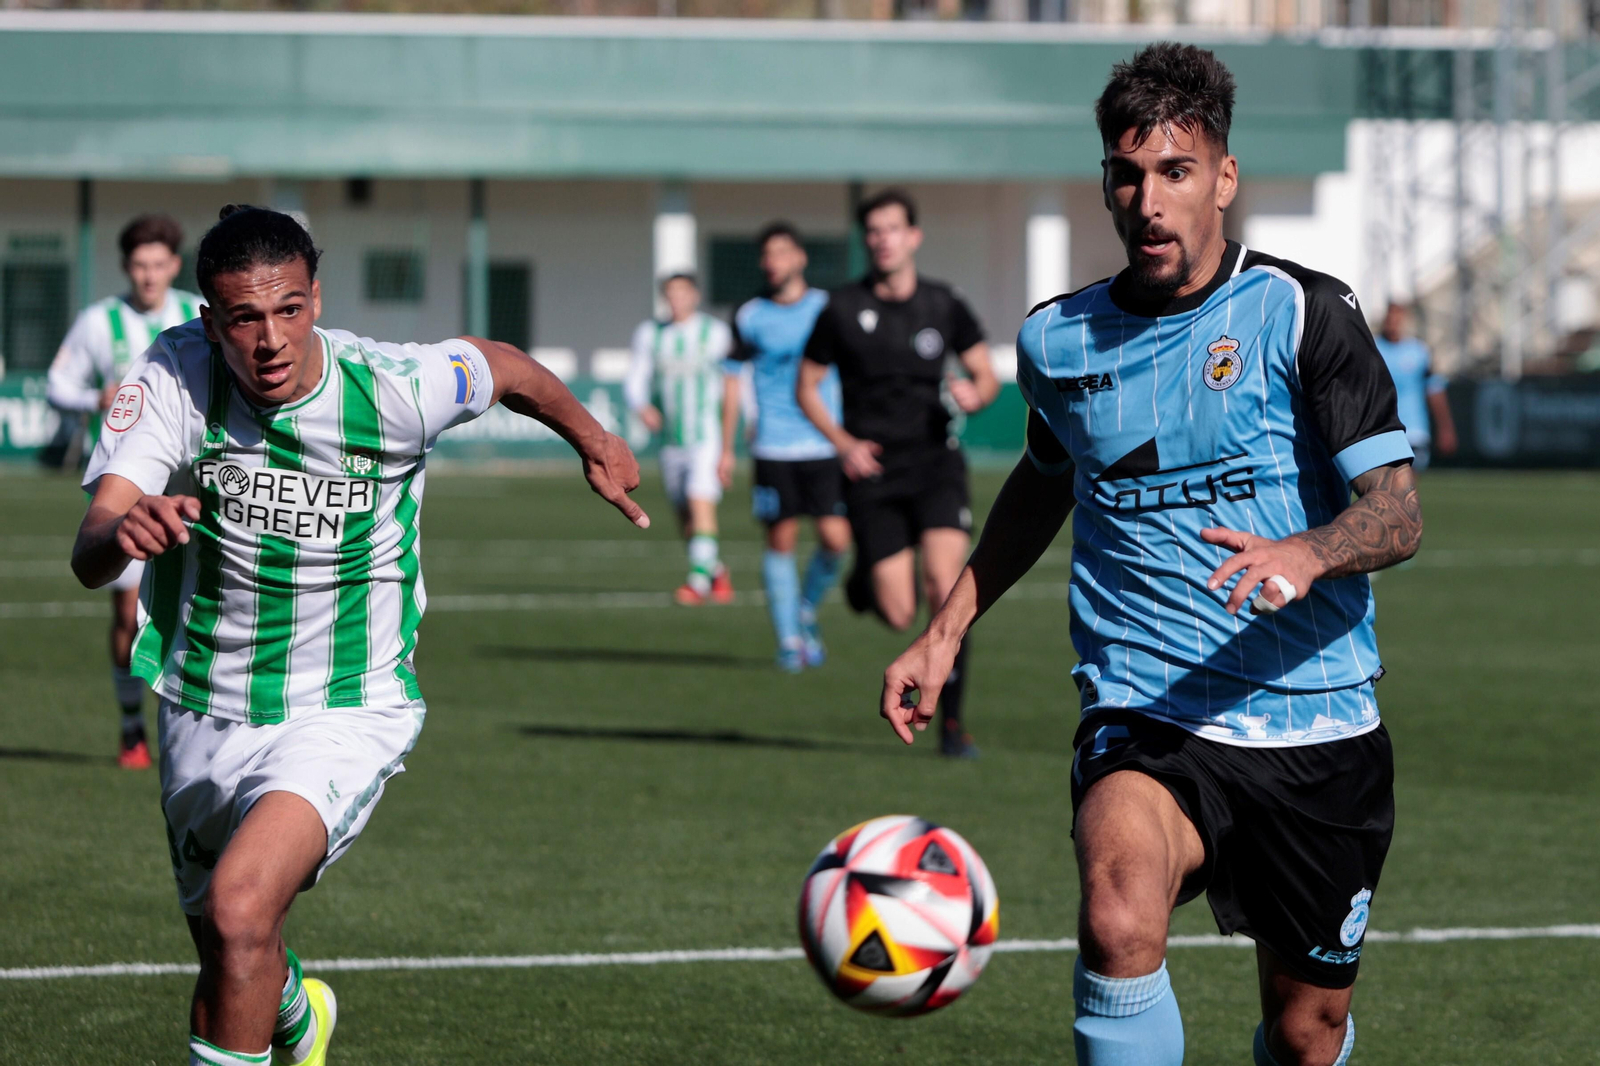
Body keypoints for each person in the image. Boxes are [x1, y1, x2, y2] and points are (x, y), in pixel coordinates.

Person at [879, 44, 1422, 1066]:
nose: (1149, 200)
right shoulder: (1059, 341)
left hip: (1317, 722)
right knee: (1117, 915)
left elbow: (1397, 511)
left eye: (1176, 170)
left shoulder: (1302, 311)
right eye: (1126, 175)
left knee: (1306, 1035)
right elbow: (1046, 477)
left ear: (1223, 178)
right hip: (1146, 707)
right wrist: (944, 631)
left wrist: (1308, 552)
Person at [69, 205, 647, 1066]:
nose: (271, 339)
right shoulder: (174, 375)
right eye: (245, 319)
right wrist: (122, 529)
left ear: (317, 298)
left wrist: (593, 440)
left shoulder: (395, 387)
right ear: (210, 322)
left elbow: (506, 368)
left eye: (290, 309)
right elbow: (90, 549)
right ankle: (298, 1016)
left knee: (238, 910)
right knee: (230, 947)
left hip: (344, 703)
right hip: (200, 701)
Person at [797, 188, 998, 758]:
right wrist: (843, 444)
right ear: (867, 241)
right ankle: (863, 581)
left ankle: (952, 724)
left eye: (893, 229)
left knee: (945, 587)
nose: (883, 239)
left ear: (913, 237)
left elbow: (984, 376)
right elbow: (806, 386)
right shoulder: (839, 309)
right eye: (874, 231)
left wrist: (976, 394)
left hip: (936, 464)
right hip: (875, 472)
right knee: (898, 612)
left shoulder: (943, 303)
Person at [47, 213, 205, 770]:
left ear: (174, 265)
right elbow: (57, 384)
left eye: (158, 264)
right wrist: (95, 399)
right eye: (140, 265)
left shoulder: (197, 312)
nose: (149, 275)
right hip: (127, 489)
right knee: (128, 612)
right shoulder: (99, 322)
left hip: (194, 490)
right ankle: (132, 724)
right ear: (126, 267)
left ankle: (189, 728)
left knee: (196, 608)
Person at [726, 223, 851, 672]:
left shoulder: (827, 307)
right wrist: (726, 446)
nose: (773, 262)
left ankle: (805, 608)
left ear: (800, 257)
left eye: (781, 252)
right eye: (767, 254)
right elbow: (732, 378)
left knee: (836, 539)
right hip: (773, 446)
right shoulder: (749, 314)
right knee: (780, 540)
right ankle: (788, 640)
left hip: (823, 443)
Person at [625, 273, 738, 605]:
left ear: (695, 296)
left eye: (682, 292)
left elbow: (734, 380)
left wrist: (732, 442)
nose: (676, 299)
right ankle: (715, 570)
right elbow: (636, 377)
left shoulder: (714, 333)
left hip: (706, 437)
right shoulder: (650, 334)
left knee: (699, 501)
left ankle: (697, 583)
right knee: (685, 518)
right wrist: (642, 406)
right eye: (670, 293)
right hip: (671, 441)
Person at [1374, 301, 1457, 470]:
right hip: (1380, 429)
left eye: (1397, 320)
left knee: (1408, 481)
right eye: (1390, 319)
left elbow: (1434, 390)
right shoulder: (1373, 348)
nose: (1393, 324)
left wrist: (1445, 428)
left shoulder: (1419, 351)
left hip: (1413, 430)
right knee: (1385, 482)